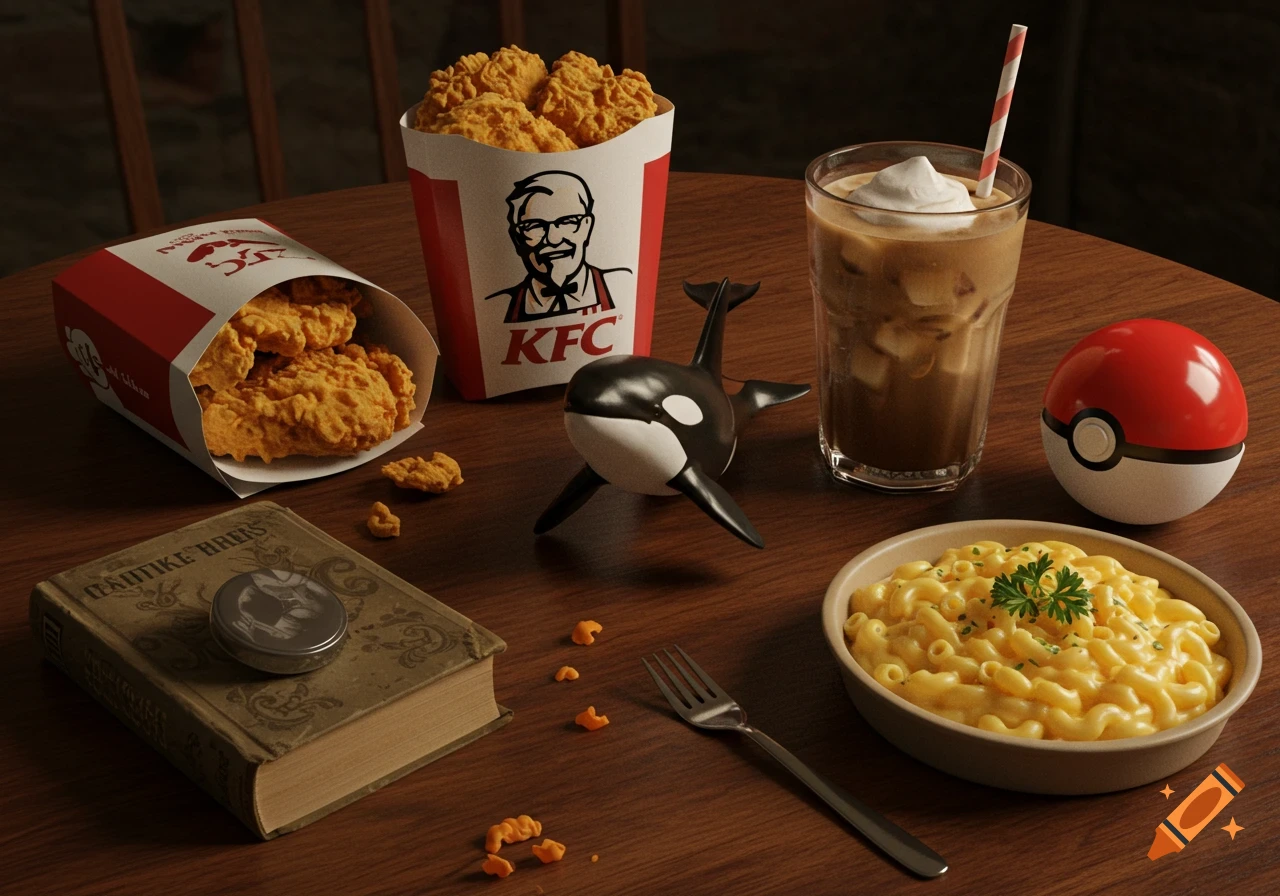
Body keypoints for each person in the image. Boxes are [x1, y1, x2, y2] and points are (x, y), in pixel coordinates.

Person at [487, 170, 629, 323]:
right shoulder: (494, 306)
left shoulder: (623, 284)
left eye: (568, 221)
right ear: (517, 238)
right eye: (534, 226)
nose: (554, 239)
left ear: (587, 227)